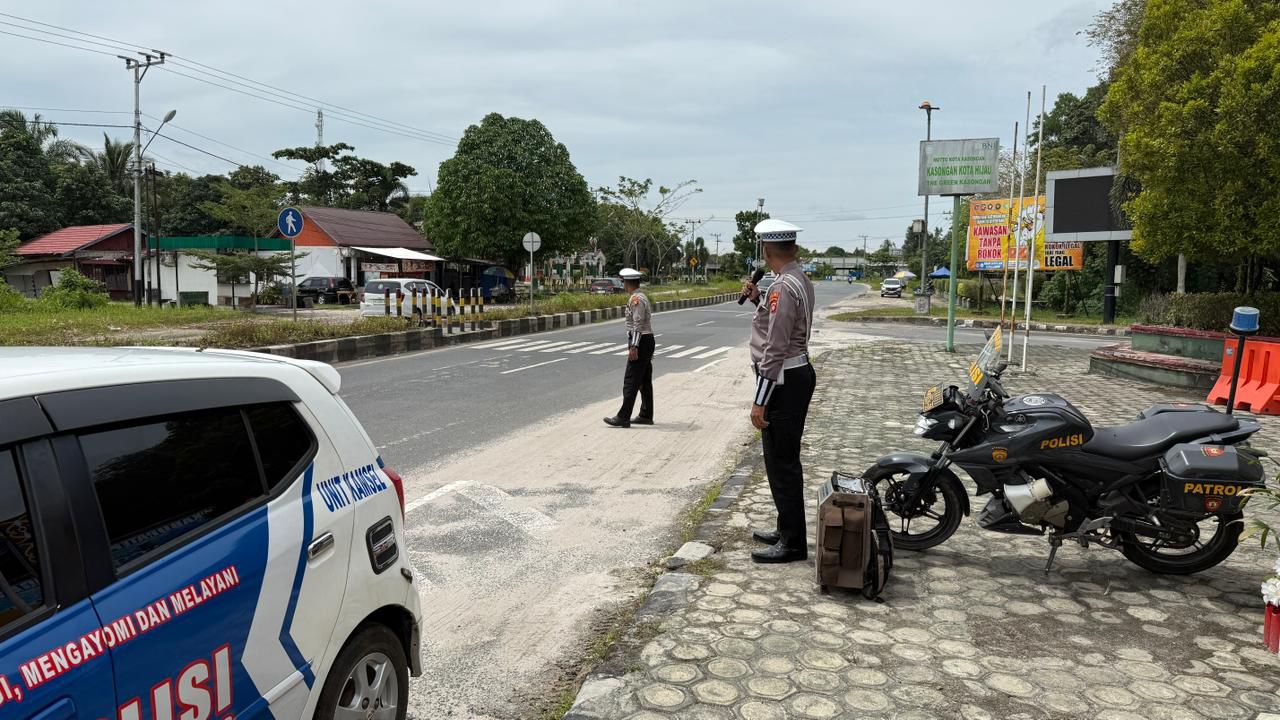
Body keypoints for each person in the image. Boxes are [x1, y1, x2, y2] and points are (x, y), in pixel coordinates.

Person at [741, 219, 817, 563]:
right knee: (784, 459)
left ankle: (793, 543)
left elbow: (775, 347)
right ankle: (787, 527)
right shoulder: (797, 279)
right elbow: (779, 322)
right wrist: (758, 299)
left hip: (784, 379)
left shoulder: (783, 286)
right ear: (794, 249)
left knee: (781, 462)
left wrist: (760, 401)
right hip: (796, 373)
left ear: (766, 250)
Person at [604, 268, 655, 428]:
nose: (623, 285)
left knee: (631, 381)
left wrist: (634, 346)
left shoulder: (636, 299)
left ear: (628, 283)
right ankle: (646, 414)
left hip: (640, 341)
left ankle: (623, 417)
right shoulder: (641, 296)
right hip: (646, 340)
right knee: (644, 381)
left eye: (624, 282)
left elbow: (637, 324)